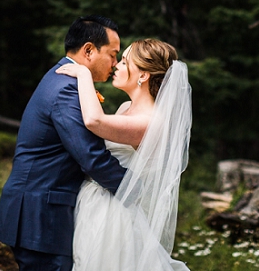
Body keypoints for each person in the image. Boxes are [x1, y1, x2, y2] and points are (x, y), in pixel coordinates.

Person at [0, 15, 127, 271]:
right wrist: (138, 190)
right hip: (40, 216)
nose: (115, 63)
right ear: (88, 50)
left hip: (39, 212)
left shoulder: (63, 79)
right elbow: (91, 157)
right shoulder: (67, 89)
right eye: (112, 54)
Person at [56, 38, 192, 271]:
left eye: (125, 61)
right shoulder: (124, 109)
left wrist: (84, 74)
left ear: (143, 75)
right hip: (95, 200)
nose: (117, 65)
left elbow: (94, 121)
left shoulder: (152, 121)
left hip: (113, 214)